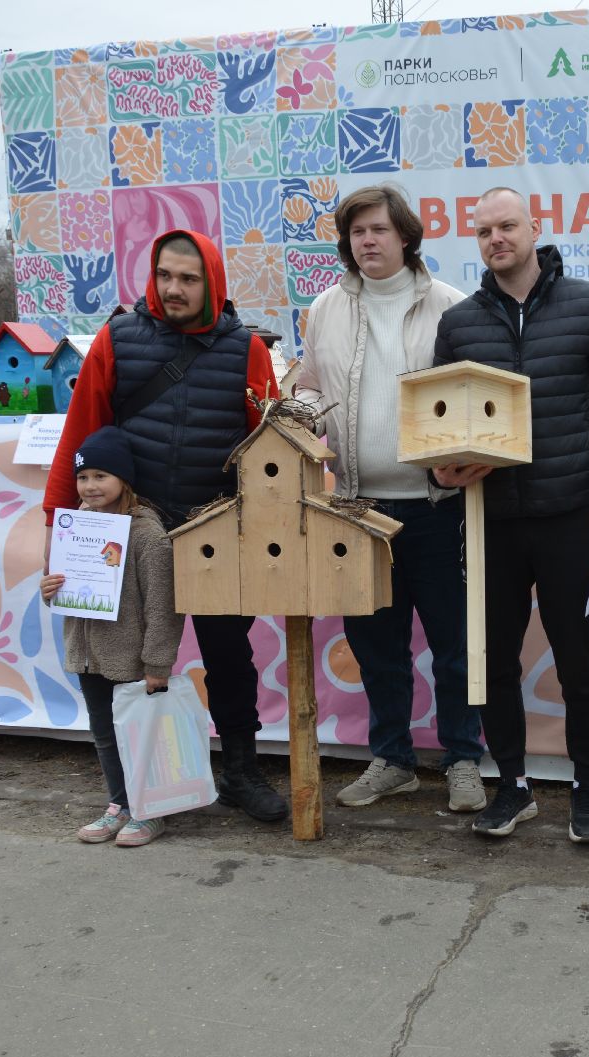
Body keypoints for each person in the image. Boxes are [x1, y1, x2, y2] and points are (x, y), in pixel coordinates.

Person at [43, 229, 289, 824]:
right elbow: (81, 438)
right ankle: (132, 789)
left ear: (211, 283)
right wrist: (59, 531)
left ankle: (240, 771)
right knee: (129, 659)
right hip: (132, 533)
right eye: (164, 276)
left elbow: (271, 445)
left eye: (188, 278)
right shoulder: (117, 341)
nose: (173, 289)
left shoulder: (247, 350)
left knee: (229, 657)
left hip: (216, 529)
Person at [430, 186, 589, 843]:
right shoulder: (460, 323)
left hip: (566, 519)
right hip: (488, 520)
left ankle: (587, 788)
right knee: (492, 663)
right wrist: (439, 472)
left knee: (581, 662)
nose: (497, 238)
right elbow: (437, 421)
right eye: (485, 230)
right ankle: (513, 786)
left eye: (507, 226)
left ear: (534, 228)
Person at [294, 185, 485, 814]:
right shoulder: (324, 308)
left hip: (437, 506)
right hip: (356, 506)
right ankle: (393, 760)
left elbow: (475, 400)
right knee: (377, 646)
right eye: (356, 232)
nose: (367, 241)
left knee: (456, 644)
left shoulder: (451, 306)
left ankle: (462, 759)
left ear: (406, 235)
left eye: (378, 229)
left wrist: (467, 458)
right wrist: (286, 417)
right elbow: (310, 392)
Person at [41, 427, 185, 847]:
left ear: (124, 479)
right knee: (105, 733)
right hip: (88, 654)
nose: (90, 486)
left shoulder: (146, 535)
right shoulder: (75, 527)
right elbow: (70, 590)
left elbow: (163, 604)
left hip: (133, 659)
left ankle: (151, 811)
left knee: (141, 734)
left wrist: (158, 664)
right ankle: (120, 804)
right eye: (83, 478)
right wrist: (51, 591)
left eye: (101, 476)